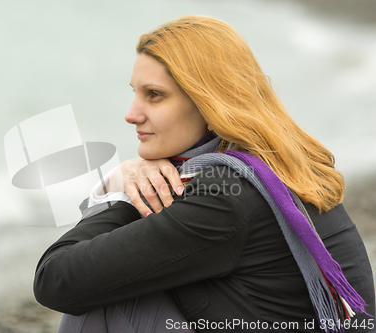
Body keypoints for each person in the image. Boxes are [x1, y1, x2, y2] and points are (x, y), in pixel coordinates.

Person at [33, 15, 375, 332]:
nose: (131, 114)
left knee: (99, 302)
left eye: (154, 95)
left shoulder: (227, 194)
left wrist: (121, 190)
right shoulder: (278, 162)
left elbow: (55, 279)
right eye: (134, 93)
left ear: (210, 102)